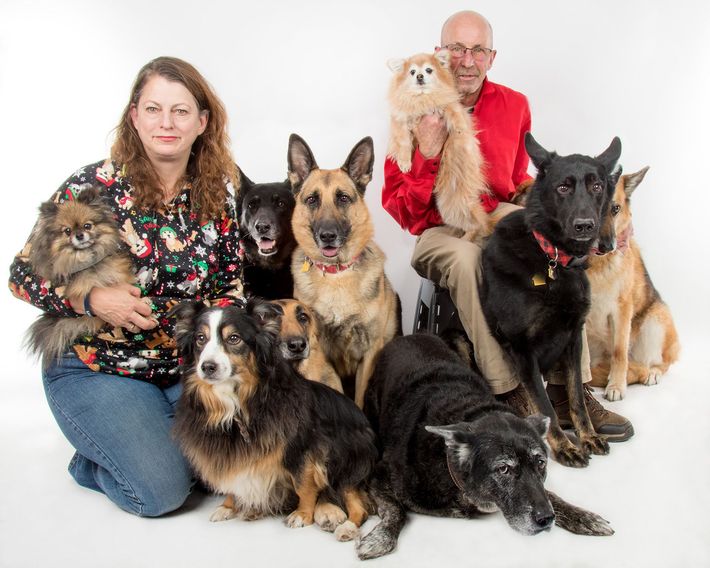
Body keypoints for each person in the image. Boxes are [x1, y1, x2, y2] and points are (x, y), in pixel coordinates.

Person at [9, 56, 246, 516]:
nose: (166, 123)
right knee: (163, 493)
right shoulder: (93, 185)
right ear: (134, 115)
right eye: (153, 109)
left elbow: (227, 288)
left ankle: (145, 438)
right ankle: (93, 461)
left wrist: (220, 343)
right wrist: (92, 297)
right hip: (97, 367)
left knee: (232, 468)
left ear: (202, 122)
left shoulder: (218, 194)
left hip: (183, 370)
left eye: (180, 111)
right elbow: (20, 276)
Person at [382, 11, 633, 441]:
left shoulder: (513, 105)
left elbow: (517, 182)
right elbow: (403, 213)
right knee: (466, 257)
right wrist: (426, 152)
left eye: (477, 50)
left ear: (491, 57)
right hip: (438, 227)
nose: (466, 60)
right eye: (457, 49)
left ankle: (568, 389)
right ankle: (511, 390)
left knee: (552, 243)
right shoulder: (413, 105)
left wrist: (597, 225)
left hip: (493, 212)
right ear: (440, 54)